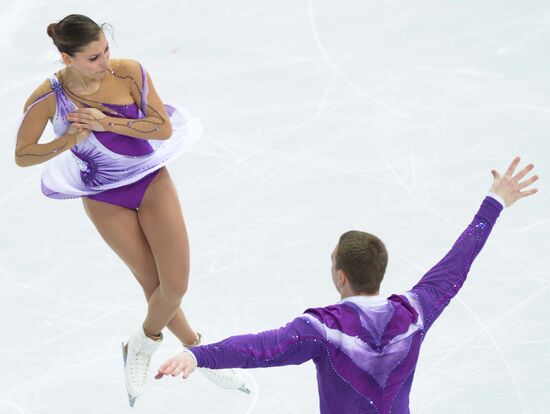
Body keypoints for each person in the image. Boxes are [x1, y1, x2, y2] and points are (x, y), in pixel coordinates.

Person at [156, 157, 539, 413]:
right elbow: (457, 263)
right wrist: (495, 202)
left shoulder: (324, 331)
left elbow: (260, 348)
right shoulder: (414, 314)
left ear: (341, 276)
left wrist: (198, 355)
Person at [14, 14, 247, 407]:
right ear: (66, 59)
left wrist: (106, 122)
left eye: (105, 50)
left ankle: (141, 344)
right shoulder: (49, 98)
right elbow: (23, 155)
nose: (104, 61)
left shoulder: (129, 74)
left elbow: (162, 129)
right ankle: (199, 351)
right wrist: (69, 138)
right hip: (105, 198)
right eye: (92, 57)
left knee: (174, 285)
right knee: (152, 282)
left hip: (151, 181)